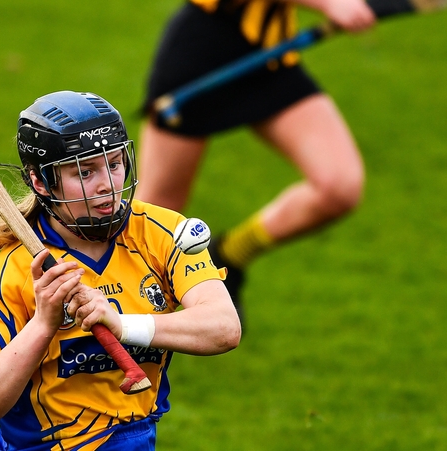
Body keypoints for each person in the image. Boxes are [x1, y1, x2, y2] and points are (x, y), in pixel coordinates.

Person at [0, 91, 241, 450]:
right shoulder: (10, 275)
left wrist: (122, 324)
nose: (107, 183)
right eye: (84, 171)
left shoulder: (161, 234)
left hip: (137, 439)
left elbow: (224, 328)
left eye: (115, 162)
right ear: (41, 181)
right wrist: (43, 324)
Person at [137, 0, 376, 327]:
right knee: (153, 217)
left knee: (339, 186)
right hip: (203, 57)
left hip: (271, 57)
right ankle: (113, 330)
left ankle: (229, 254)